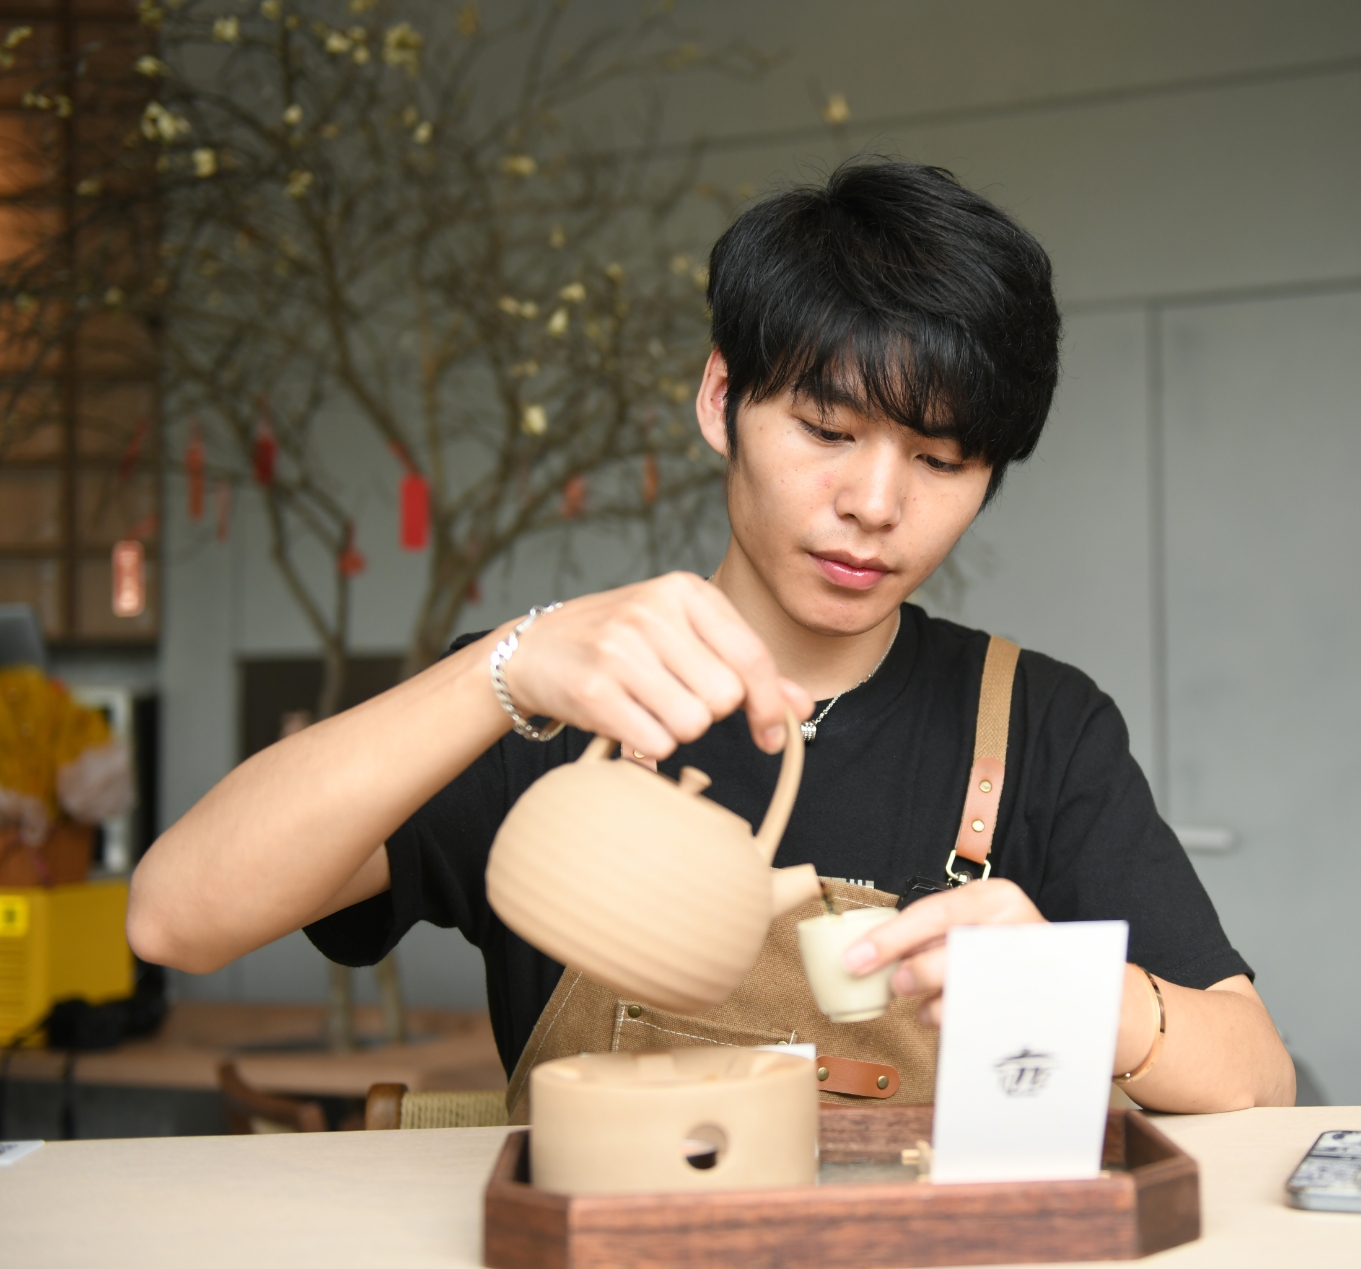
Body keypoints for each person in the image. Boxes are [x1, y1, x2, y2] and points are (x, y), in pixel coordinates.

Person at [129, 160, 1294, 1113]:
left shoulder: (1034, 723)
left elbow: (1255, 1077)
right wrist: (501, 668)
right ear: (719, 401)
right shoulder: (549, 693)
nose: (875, 505)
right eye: (827, 430)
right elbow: (175, 917)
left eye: (940, 460)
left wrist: (1075, 993)